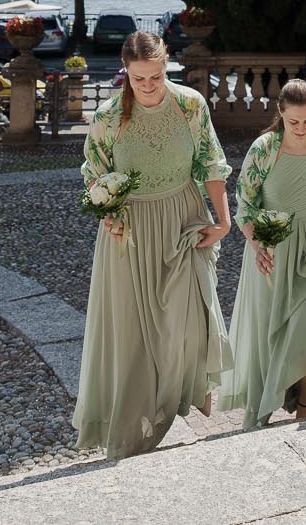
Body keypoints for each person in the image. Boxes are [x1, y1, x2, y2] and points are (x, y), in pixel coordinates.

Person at [71, 30, 233, 458]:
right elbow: (94, 175)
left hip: (183, 219)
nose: (147, 86)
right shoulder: (107, 117)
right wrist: (109, 216)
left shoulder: (190, 105)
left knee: (191, 317)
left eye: (156, 77)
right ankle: (137, 424)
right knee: (135, 332)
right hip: (131, 232)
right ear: (125, 72)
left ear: (167, 68)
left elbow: (210, 162)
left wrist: (223, 218)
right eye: (138, 78)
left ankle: (184, 391)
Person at [221, 80, 306, 426]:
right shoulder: (265, 148)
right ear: (280, 113)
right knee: (275, 333)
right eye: (294, 122)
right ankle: (265, 406)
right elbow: (245, 204)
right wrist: (257, 244)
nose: (301, 128)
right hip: (275, 251)